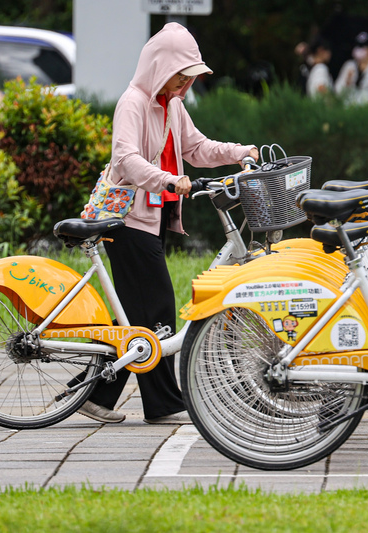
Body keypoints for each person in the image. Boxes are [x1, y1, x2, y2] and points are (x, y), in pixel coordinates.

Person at [77, 23, 259, 425]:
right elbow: (125, 159)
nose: (186, 83)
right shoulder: (134, 102)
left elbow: (196, 147)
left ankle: (92, 395)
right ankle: (162, 403)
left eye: (190, 76)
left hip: (150, 218)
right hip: (125, 220)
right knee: (156, 311)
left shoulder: (171, 105)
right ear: (160, 67)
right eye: (182, 74)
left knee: (137, 316)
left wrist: (239, 151)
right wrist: (169, 180)